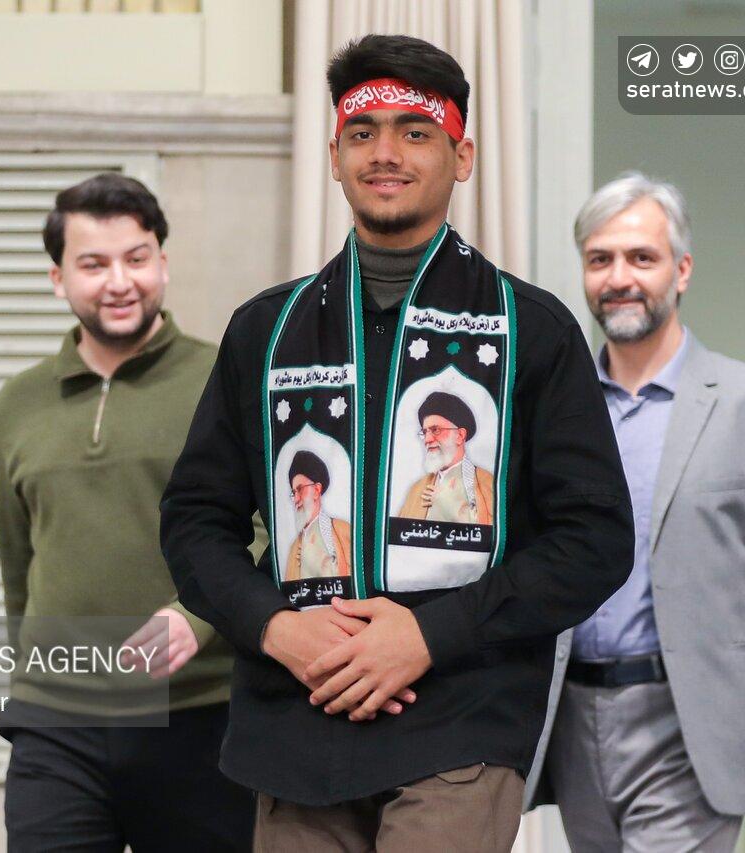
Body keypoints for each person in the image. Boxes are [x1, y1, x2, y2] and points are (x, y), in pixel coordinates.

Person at [160, 34, 633, 852]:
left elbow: (594, 541)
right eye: (362, 132)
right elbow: (194, 520)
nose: (385, 152)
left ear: (462, 156)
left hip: (460, 719)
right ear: (335, 157)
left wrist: (428, 634)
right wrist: (276, 627)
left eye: (415, 132)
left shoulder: (533, 330)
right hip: (294, 721)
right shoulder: (265, 331)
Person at [524, 172, 745, 852]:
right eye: (600, 259)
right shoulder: (550, 410)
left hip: (694, 720)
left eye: (641, 257)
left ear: (682, 270)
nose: (619, 278)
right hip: (574, 720)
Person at [0, 173, 255, 851]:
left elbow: (269, 532)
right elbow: (20, 559)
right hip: (56, 720)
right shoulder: (18, 402)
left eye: (136, 258)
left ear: (162, 262)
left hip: (201, 714)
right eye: (93, 264)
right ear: (58, 279)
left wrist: (197, 615)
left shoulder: (223, 378)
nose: (119, 282)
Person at [398, 391, 495, 524]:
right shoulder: (417, 489)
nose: (427, 439)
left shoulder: (485, 482)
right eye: (425, 432)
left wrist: (447, 503)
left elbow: (492, 530)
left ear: (460, 435)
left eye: (436, 430)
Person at [286, 450, 353, 581]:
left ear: (317, 490)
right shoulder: (295, 546)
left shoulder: (343, 530)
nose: (296, 499)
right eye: (294, 493)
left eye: (300, 489)